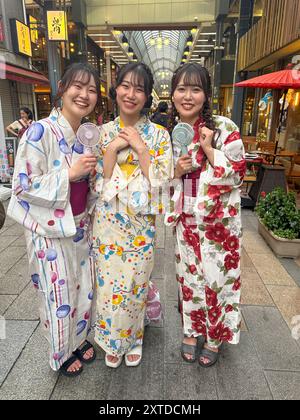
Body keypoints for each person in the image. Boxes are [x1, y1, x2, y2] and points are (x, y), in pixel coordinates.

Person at [7, 63, 100, 377]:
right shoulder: (39, 131)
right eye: (78, 86)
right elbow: (20, 185)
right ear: (62, 88)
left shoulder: (86, 135)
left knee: (83, 288)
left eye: (92, 89)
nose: (84, 95)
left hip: (79, 224)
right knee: (58, 293)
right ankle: (59, 354)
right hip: (49, 231)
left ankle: (77, 339)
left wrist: (91, 177)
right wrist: (69, 174)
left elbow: (89, 186)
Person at [92, 62, 173, 368]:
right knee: (110, 285)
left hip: (140, 226)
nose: (131, 94)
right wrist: (111, 152)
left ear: (147, 95)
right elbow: (97, 185)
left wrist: (141, 150)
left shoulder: (159, 135)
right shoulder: (101, 134)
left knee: (136, 283)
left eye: (139, 88)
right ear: (116, 90)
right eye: (125, 86)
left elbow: (162, 183)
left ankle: (134, 337)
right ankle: (113, 341)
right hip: (108, 223)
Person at [165, 63, 246, 367]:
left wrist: (209, 149)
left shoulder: (225, 128)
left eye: (195, 89)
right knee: (189, 278)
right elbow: (162, 180)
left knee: (218, 279)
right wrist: (177, 170)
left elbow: (238, 174)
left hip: (218, 224)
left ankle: (214, 336)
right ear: (173, 94)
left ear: (206, 95)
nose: (188, 96)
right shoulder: (169, 133)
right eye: (182, 89)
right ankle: (190, 330)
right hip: (186, 220)